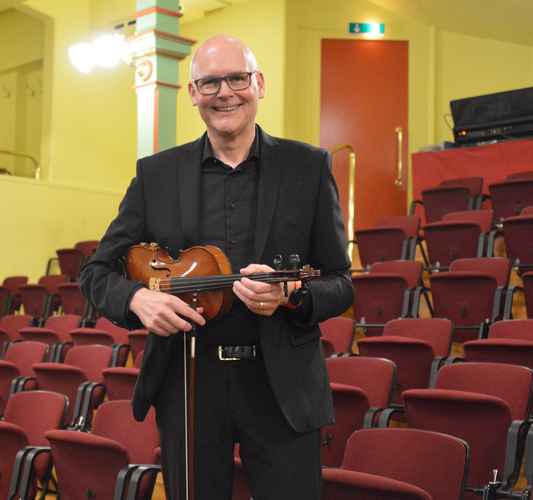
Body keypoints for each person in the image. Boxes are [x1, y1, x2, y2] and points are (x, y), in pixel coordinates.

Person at [79, 34, 353, 499]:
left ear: (259, 84)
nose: (225, 92)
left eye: (237, 79)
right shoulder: (156, 174)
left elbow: (340, 282)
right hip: (188, 379)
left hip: (281, 384)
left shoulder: (308, 166)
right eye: (209, 83)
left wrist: (290, 295)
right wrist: (137, 299)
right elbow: (96, 271)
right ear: (192, 93)